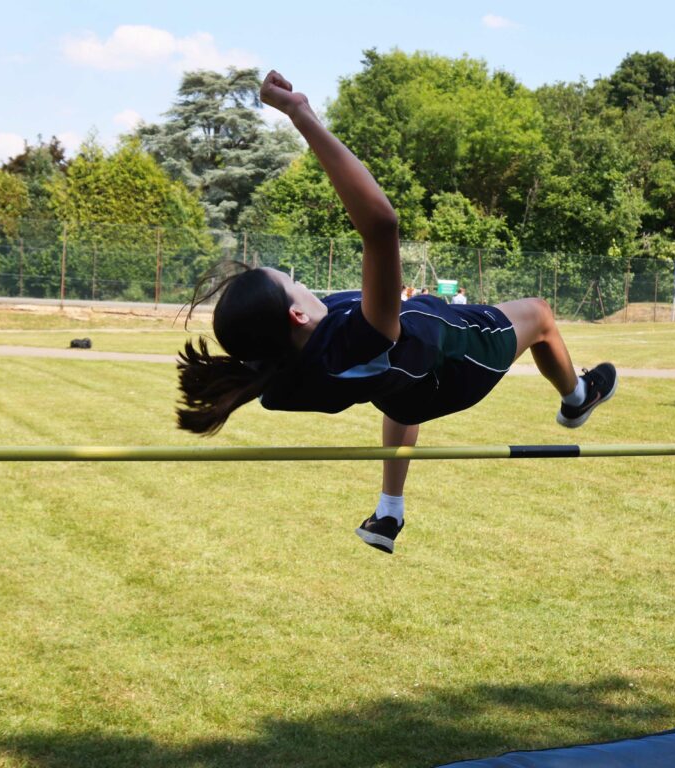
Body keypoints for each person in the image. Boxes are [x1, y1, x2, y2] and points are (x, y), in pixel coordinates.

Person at [177, 71, 618, 555]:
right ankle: (577, 396)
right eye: (293, 285)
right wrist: (301, 114)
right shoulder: (361, 339)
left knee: (399, 387)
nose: (301, 284)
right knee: (540, 314)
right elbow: (382, 224)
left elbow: (271, 346)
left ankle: (389, 509)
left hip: (411, 384)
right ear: (296, 317)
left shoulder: (283, 369)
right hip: (460, 357)